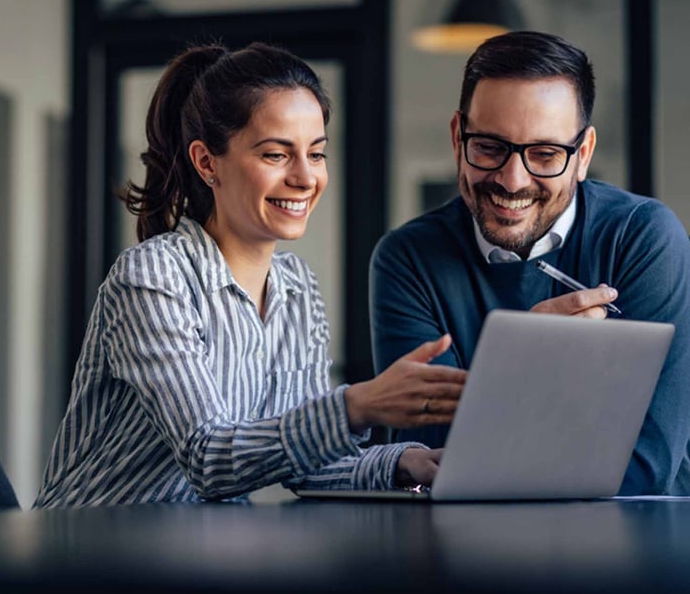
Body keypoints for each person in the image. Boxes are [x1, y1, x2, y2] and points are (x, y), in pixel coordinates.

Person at [36, 41, 466, 508]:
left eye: (316, 154)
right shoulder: (151, 276)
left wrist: (407, 463)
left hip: (198, 555)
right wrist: (357, 405)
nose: (306, 177)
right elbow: (209, 459)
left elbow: (305, 461)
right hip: (88, 555)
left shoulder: (297, 286)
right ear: (207, 162)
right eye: (276, 155)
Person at [370, 30, 690, 496]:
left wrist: (495, 409)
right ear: (459, 137)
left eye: (544, 154)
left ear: (582, 155)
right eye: (490, 147)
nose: (512, 179)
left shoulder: (644, 238)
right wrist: (525, 361)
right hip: (471, 546)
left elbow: (649, 460)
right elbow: (436, 457)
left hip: (640, 538)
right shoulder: (407, 259)